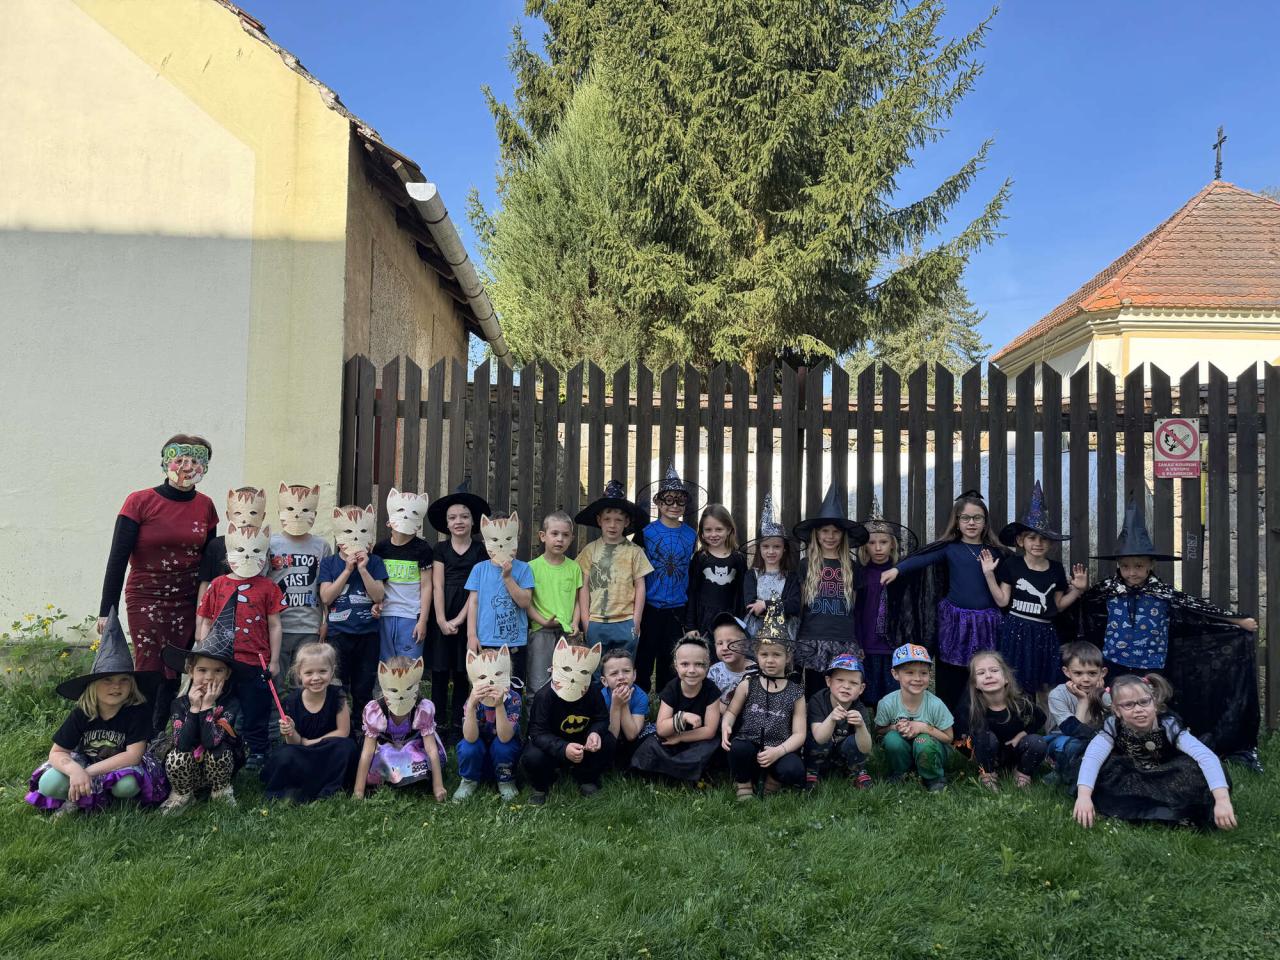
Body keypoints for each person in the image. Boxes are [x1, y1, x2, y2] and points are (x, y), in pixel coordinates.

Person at [1081, 496, 1260, 768]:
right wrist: (1078, 590)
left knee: (1150, 707)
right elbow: (1082, 612)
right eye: (1126, 566)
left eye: (1139, 566)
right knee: (1118, 706)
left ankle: (1155, 752)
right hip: (1115, 660)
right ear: (1118, 565)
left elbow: (1197, 609)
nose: (1132, 572)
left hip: (1153, 664)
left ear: (1151, 564)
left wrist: (1237, 622)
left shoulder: (1162, 593)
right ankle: (1118, 751)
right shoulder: (1107, 590)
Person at [98, 433, 220, 728]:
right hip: (146, 598)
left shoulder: (206, 506)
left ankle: (166, 732)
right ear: (166, 462)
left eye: (196, 461)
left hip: (187, 600)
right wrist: (106, 609)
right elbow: (117, 558)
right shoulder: (139, 501)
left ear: (205, 467)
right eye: (180, 459)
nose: (187, 467)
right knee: (149, 667)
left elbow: (209, 563)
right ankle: (140, 733)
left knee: (178, 666)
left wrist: (209, 609)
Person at [25, 608, 163, 815]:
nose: (116, 686)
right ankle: (76, 796)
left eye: (124, 680)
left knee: (127, 784)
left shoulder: (137, 712)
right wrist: (75, 770)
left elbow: (133, 756)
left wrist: (87, 773)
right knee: (49, 784)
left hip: (120, 766)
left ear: (132, 685)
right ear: (93, 686)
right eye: (107, 680)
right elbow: (57, 752)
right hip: (85, 760)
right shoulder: (82, 713)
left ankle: (105, 797)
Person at [881, 490, 1005, 710]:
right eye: (965, 518)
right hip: (955, 620)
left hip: (985, 622)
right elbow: (922, 559)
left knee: (983, 669)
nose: (971, 523)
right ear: (957, 521)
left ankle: (982, 718)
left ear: (985, 522)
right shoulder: (950, 548)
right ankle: (949, 719)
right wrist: (897, 570)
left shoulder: (996, 552)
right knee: (951, 672)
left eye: (977, 518)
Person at [1073, 673, 1237, 830]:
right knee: (1101, 772)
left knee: (1196, 771)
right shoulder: (1112, 727)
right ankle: (1145, 811)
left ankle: (1173, 813)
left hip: (1166, 774)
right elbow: (1093, 757)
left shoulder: (1169, 725)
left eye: (1144, 702)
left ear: (1155, 703)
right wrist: (1084, 797)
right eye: (1128, 705)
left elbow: (1205, 757)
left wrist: (1222, 800)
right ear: (1116, 710)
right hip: (1132, 775)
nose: (1138, 709)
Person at [194, 521, 285, 770]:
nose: (247, 556)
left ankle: (257, 751)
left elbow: (275, 625)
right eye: (241, 550)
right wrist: (205, 654)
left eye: (255, 551)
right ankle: (223, 748)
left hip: (256, 662)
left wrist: (274, 660)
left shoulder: (268, 587)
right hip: (222, 662)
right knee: (222, 708)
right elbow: (206, 620)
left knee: (256, 709)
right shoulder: (217, 584)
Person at [985, 481, 1086, 699]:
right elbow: (1002, 601)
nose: (1038, 543)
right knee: (1013, 680)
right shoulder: (1012, 564)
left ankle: (1043, 717)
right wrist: (989, 575)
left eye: (1043, 539)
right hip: (1015, 629)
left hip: (1043, 632)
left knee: (1044, 682)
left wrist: (1077, 591)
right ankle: (1017, 715)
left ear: (1051, 543)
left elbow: (1058, 605)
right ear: (1020, 541)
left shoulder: (1056, 569)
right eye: (1032, 538)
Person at [151, 596, 247, 812]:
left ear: (227, 674)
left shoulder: (230, 703)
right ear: (191, 671)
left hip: (217, 767)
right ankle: (182, 794)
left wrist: (207, 707)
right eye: (202, 670)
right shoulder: (179, 704)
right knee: (176, 755)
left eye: (218, 671)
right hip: (188, 770)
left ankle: (221, 791)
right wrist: (194, 709)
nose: (210, 677)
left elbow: (212, 742)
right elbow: (183, 744)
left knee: (221, 750)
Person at [720, 602, 806, 800]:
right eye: (764, 654)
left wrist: (779, 751)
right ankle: (743, 782)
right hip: (749, 744)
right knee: (738, 748)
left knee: (794, 768)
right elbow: (731, 712)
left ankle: (773, 780)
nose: (770, 660)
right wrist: (726, 725)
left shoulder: (796, 692)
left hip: (779, 748)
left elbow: (800, 734)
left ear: (787, 657)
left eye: (776, 654)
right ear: (757, 656)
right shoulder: (748, 684)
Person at [427, 480, 490, 735]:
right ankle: (436, 722)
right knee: (440, 670)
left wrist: (461, 619)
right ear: (446, 523)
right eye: (453, 517)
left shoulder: (480, 550)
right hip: (443, 612)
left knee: (464, 670)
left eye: (464, 516)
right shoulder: (440, 549)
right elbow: (437, 585)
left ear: (473, 521)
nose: (459, 521)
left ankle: (460, 721)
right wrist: (442, 619)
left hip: (470, 613)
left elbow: (477, 589)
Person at [793, 484, 869, 697]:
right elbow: (800, 606)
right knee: (814, 693)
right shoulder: (806, 565)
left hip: (843, 638)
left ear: (843, 535)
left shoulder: (852, 567)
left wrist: (858, 641)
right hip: (812, 637)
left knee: (841, 691)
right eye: (825, 531)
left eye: (836, 531)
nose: (830, 536)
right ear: (816, 534)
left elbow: (854, 608)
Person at [260, 642, 358, 802]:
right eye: (309, 673)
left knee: (347, 747)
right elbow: (294, 743)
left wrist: (310, 742)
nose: (316, 678)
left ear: (332, 671)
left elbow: (343, 732)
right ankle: (298, 788)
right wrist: (290, 731)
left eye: (322, 671)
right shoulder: (292, 701)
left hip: (329, 751)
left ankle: (330, 788)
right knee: (284, 755)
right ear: (299, 674)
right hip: (304, 754)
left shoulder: (338, 696)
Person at [523, 639, 615, 804]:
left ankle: (586, 777)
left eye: (583, 671)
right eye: (567, 669)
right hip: (552, 748)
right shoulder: (544, 696)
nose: (573, 678)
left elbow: (601, 718)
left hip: (583, 746)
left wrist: (595, 733)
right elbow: (537, 732)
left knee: (608, 741)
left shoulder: (593, 692)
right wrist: (563, 748)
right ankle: (542, 784)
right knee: (533, 756)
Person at [317, 504, 387, 720]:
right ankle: (339, 726)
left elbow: (378, 596)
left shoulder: (375, 562)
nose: (356, 537)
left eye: (363, 531)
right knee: (337, 685)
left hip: (368, 634)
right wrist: (347, 570)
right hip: (338, 634)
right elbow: (326, 597)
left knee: (363, 686)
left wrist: (363, 569)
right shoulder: (329, 563)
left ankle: (362, 727)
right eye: (348, 531)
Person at [636, 463, 701, 693]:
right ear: (658, 502)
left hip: (677, 607)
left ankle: (666, 702)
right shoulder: (646, 533)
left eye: (680, 501)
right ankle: (640, 704)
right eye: (669, 500)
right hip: (650, 606)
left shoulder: (691, 534)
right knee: (644, 657)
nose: (674, 505)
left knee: (670, 658)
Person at [575, 480, 653, 656]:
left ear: (626, 522)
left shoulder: (634, 551)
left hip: (625, 620)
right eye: (607, 519)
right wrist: (586, 621)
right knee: (596, 666)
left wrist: (636, 620)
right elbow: (583, 586)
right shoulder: (590, 550)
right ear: (599, 520)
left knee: (623, 666)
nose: (612, 525)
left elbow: (640, 586)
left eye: (618, 520)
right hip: (596, 620)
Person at [353, 656, 447, 801]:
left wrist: (438, 786)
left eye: (408, 688)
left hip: (413, 747)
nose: (401, 696)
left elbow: (431, 749)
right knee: (383, 759)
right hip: (387, 749)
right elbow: (367, 752)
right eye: (394, 690)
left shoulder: (422, 709)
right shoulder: (377, 711)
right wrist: (358, 790)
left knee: (420, 760)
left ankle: (413, 777)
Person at [631, 636, 722, 783]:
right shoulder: (671, 688)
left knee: (710, 747)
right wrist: (683, 717)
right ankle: (682, 772)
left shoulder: (712, 691)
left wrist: (680, 737)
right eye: (685, 664)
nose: (692, 670)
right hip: (671, 733)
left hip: (698, 738)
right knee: (651, 745)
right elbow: (661, 729)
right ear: (676, 665)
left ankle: (673, 772)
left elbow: (709, 731)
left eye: (699, 664)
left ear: (708, 665)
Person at [854, 497, 918, 707]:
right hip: (868, 645)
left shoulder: (900, 573)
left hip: (894, 647)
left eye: (883, 542)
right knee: (868, 696)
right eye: (872, 543)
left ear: (892, 545)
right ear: (865, 547)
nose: (878, 548)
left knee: (893, 697)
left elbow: (909, 613)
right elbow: (857, 612)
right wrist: (859, 643)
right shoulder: (861, 575)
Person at [954, 651, 1048, 792]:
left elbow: (1041, 718)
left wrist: (1022, 734)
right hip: (987, 753)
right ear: (975, 684)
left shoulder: (1021, 703)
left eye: (994, 670)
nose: (988, 675)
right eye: (981, 673)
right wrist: (973, 755)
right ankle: (988, 775)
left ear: (1006, 678)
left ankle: (1022, 774)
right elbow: (957, 736)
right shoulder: (970, 709)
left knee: (1038, 742)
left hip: (1015, 752)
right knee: (984, 737)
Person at [268, 483, 330, 688]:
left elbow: (324, 587)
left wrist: (326, 621)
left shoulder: (321, 546)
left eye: (305, 510)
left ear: (314, 514)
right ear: (280, 512)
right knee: (276, 682)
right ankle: (276, 711)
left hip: (309, 626)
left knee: (305, 683)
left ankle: (302, 711)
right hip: (278, 627)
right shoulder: (270, 543)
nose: (297, 514)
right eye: (290, 508)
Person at [874, 644, 955, 792]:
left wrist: (924, 728)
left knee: (923, 741)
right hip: (903, 748)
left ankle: (934, 777)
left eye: (923, 673)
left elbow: (949, 738)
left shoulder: (936, 704)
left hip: (931, 749)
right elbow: (879, 730)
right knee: (892, 739)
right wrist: (895, 727)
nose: (917, 678)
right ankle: (900, 773)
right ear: (895, 674)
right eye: (909, 672)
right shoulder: (887, 703)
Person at [465, 512, 535, 680]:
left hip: (515, 643)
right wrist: (471, 635)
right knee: (485, 685)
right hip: (485, 641)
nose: (502, 545)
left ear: (517, 539)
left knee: (514, 686)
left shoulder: (524, 569)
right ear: (485, 542)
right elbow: (473, 603)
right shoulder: (479, 569)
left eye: (508, 539)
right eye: (495, 540)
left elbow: (525, 602)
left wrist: (508, 578)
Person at [527, 511, 587, 696]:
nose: (560, 539)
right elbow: (527, 603)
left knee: (568, 681)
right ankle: (535, 715)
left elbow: (576, 601)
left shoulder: (574, 568)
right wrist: (542, 621)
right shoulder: (531, 567)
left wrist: (575, 622)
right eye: (554, 533)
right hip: (541, 631)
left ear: (571, 539)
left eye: (565, 535)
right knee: (538, 681)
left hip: (568, 633)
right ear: (543, 536)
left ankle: (561, 715)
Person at [454, 646, 522, 802]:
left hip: (503, 756)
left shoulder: (513, 699)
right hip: (480, 757)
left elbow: (505, 737)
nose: (491, 681)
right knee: (468, 747)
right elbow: (470, 738)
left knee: (503, 746)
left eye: (498, 674)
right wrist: (471, 707)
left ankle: (505, 781)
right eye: (483, 676)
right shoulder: (473, 701)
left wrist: (499, 705)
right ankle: (469, 781)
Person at [373, 488, 433, 661]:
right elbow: (377, 583)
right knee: (385, 663)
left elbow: (427, 586)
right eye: (400, 511)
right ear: (388, 521)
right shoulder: (380, 548)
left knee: (409, 665)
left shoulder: (423, 549)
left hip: (411, 617)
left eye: (413, 513)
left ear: (419, 524)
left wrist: (423, 620)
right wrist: (375, 603)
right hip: (385, 615)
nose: (406, 516)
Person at [804, 653, 875, 790]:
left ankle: (856, 770)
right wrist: (831, 718)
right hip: (819, 752)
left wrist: (861, 726)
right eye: (840, 680)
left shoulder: (859, 708)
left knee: (856, 739)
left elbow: (866, 748)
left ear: (861, 689)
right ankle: (812, 771)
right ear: (829, 681)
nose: (846, 686)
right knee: (815, 735)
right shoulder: (817, 700)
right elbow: (819, 737)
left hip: (843, 755)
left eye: (853, 683)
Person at [1044, 641, 1110, 782]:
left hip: (1091, 738)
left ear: (1102, 673)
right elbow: (1073, 732)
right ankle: (1060, 771)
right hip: (1059, 739)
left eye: (1092, 673)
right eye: (1078, 673)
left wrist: (1097, 697)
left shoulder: (1105, 696)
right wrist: (1083, 701)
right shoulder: (1057, 694)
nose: (1085, 679)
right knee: (1075, 744)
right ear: (1067, 672)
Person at [743, 493, 801, 642]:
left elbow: (794, 605)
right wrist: (779, 607)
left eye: (776, 547)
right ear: (759, 548)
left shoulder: (791, 577)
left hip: (784, 636)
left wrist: (765, 604)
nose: (771, 551)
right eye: (766, 546)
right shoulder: (752, 575)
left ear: (784, 549)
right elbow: (751, 606)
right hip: (756, 635)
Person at [686, 504, 747, 638]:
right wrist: (691, 625)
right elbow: (692, 592)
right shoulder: (700, 558)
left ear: (729, 529)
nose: (713, 534)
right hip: (703, 619)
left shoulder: (738, 559)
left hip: (730, 619)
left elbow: (741, 594)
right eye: (708, 530)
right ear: (702, 532)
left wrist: (740, 621)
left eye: (719, 529)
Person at [197, 486, 267, 602]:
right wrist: (200, 610)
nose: (246, 519)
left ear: (262, 516)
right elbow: (206, 582)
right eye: (238, 513)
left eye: (253, 512)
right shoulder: (216, 545)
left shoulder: (266, 545)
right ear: (228, 515)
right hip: (220, 608)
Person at [601, 647, 653, 767]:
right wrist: (615, 705)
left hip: (632, 731)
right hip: (611, 734)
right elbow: (612, 737)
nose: (621, 677)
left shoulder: (641, 697)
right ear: (604, 681)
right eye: (614, 673)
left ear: (634, 675)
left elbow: (631, 735)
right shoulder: (600, 698)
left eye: (626, 671)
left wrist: (623, 704)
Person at [707, 613, 754, 710]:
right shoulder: (713, 672)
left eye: (731, 642)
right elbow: (708, 700)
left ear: (745, 645)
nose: (724, 648)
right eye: (720, 643)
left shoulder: (755, 673)